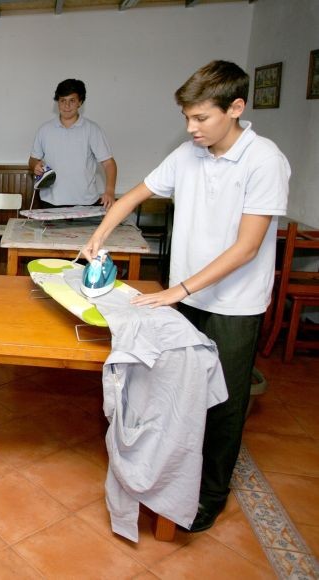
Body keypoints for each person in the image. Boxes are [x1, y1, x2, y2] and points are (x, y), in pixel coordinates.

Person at [83, 60, 290, 532]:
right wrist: (100, 236)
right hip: (186, 298)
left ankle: (211, 494)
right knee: (175, 392)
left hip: (234, 305)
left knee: (223, 402)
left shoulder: (265, 161)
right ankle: (172, 478)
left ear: (235, 108)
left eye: (201, 118)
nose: (191, 128)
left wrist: (176, 290)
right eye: (187, 118)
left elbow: (248, 246)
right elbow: (134, 195)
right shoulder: (186, 154)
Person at [28, 78, 118, 209]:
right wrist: (35, 165)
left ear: (80, 102)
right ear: (57, 102)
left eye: (72, 101)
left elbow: (109, 163)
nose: (66, 106)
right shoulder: (44, 130)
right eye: (62, 101)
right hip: (51, 202)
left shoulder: (92, 130)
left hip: (86, 202)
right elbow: (32, 160)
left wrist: (110, 191)